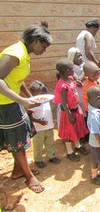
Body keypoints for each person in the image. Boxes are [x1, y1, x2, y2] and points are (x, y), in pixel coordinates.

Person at [0, 21, 52, 193]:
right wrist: (21, 101)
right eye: (43, 46)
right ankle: (29, 177)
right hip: (5, 104)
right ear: (36, 40)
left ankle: (18, 171)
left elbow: (16, 78)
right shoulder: (15, 53)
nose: (44, 51)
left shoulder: (24, 53)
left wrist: (29, 98)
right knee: (18, 142)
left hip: (12, 101)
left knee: (21, 137)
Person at [53, 59, 89, 162]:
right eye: (72, 69)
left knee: (76, 130)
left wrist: (76, 84)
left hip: (76, 109)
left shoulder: (70, 78)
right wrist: (69, 115)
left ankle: (77, 146)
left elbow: (73, 90)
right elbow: (64, 103)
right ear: (66, 71)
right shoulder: (62, 85)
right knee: (69, 133)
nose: (74, 70)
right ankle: (70, 152)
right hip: (68, 113)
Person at [28, 80, 60, 168]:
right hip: (38, 129)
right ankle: (38, 160)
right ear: (34, 94)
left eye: (44, 93)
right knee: (38, 145)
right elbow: (29, 117)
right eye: (40, 94)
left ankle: (51, 156)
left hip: (49, 126)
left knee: (50, 142)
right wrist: (38, 121)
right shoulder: (32, 104)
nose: (43, 96)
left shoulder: (46, 101)